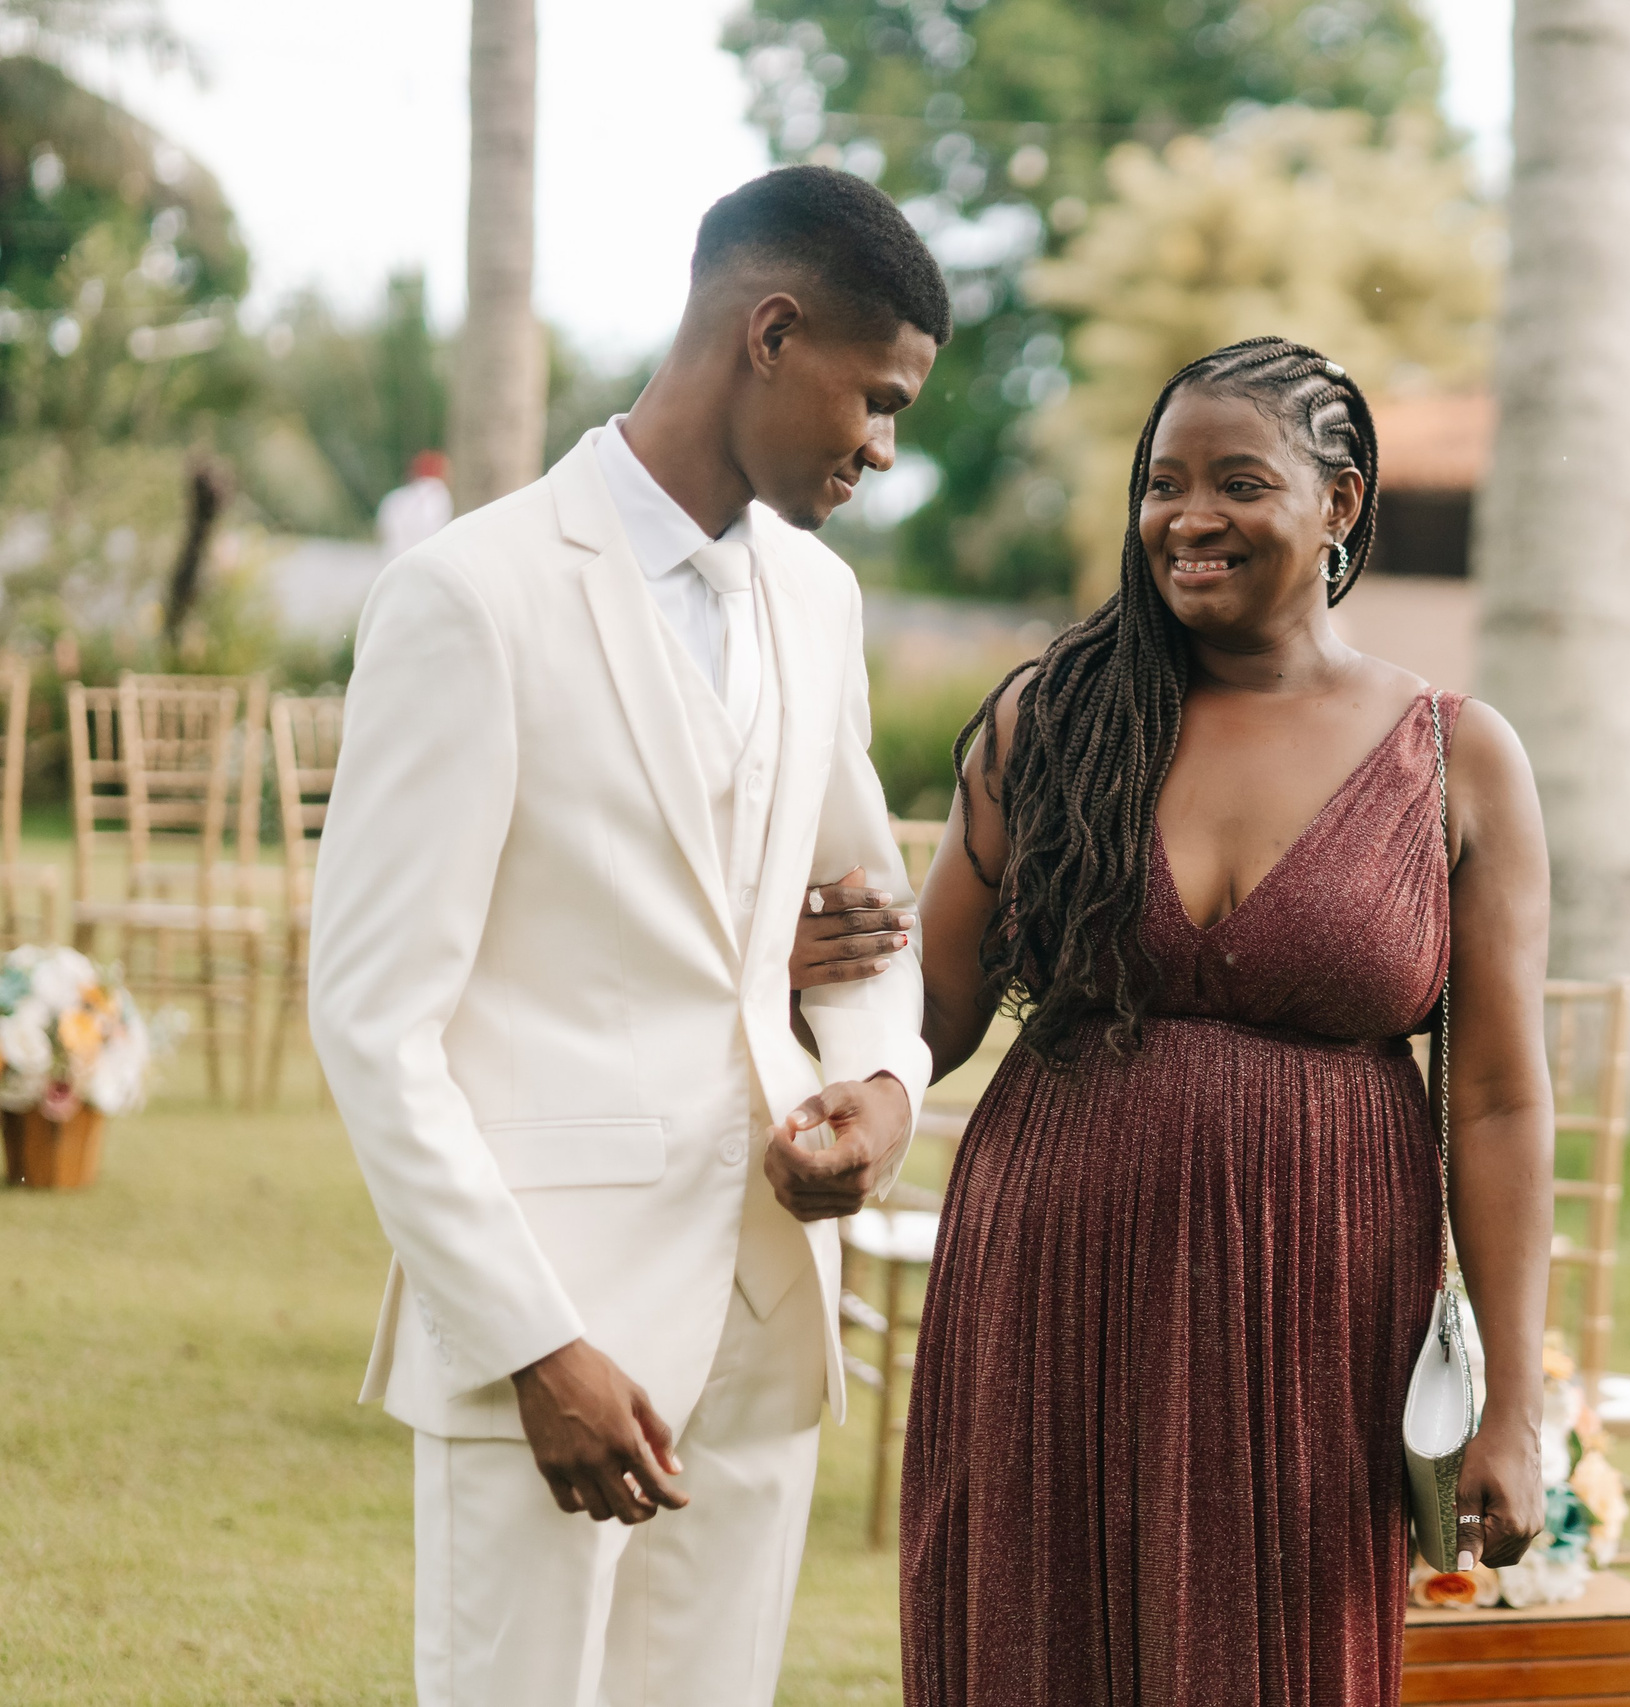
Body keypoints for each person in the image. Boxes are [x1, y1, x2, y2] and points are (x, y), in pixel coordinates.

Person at [804, 336, 1557, 1705]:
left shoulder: (1458, 755)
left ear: (1340, 502)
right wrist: (818, 985)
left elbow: (1501, 1097)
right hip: (1052, 1274)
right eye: (1162, 483)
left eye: (1236, 481)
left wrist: (1515, 1396)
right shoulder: (1056, 721)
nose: (1186, 516)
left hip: (1316, 1304)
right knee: (1037, 1642)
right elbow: (938, 1001)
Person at [308, 166, 948, 1707]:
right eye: (876, 400)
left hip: (763, 1308)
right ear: (772, 330)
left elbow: (860, 928)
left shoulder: (819, 600)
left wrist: (876, 1093)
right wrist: (535, 1343)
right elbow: (376, 1023)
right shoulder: (472, 597)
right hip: (556, 1321)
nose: (879, 448)